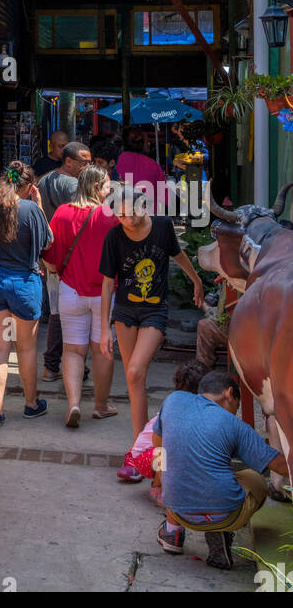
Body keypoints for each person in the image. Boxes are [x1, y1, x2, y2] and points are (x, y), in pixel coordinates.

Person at [99, 185, 204, 454]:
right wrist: (103, 328)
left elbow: (177, 255)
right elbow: (108, 284)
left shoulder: (162, 226)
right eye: (121, 216)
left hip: (155, 310)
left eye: (132, 214)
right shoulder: (114, 237)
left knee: (135, 370)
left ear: (144, 208)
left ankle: (141, 444)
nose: (128, 221)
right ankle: (140, 445)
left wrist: (196, 281)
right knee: (134, 379)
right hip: (124, 311)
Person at [153, 369, 288, 569]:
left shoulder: (174, 401)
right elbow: (279, 466)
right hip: (226, 514)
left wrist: (159, 480)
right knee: (255, 480)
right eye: (237, 405)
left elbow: (157, 444)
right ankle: (221, 528)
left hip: (177, 508)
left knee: (177, 467)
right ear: (228, 394)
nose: (236, 411)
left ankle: (172, 533)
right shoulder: (234, 424)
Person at [0, 160, 52, 428]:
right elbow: (48, 241)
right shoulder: (30, 209)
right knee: (25, 348)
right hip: (24, 283)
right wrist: (38, 206)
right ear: (27, 186)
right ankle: (30, 404)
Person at [42, 164, 118, 427]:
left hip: (70, 290)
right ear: (97, 188)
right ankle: (100, 405)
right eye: (108, 186)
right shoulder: (111, 216)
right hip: (104, 295)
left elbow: (50, 254)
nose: (110, 191)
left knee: (73, 351)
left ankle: (73, 404)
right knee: (102, 350)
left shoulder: (62, 213)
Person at [37, 141, 91, 382]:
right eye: (83, 162)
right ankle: (59, 363)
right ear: (68, 161)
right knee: (69, 315)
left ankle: (58, 364)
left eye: (89, 161)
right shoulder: (74, 186)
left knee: (59, 311)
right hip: (72, 257)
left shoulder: (45, 180)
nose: (87, 166)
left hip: (50, 255)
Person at [118, 359, 208, 488]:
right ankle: (157, 487)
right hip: (144, 459)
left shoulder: (176, 402)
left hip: (145, 455)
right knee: (170, 452)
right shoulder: (179, 409)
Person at [117, 125, 166, 195]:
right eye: (147, 140)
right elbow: (163, 194)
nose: (149, 143)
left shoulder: (119, 160)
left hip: (122, 204)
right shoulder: (153, 165)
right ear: (142, 143)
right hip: (149, 204)